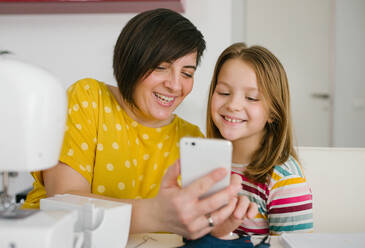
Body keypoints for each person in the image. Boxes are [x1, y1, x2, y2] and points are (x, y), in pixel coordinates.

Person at [23, 9, 257, 240]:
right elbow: (63, 202)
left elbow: (192, 220)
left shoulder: (191, 138)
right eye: (161, 67)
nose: (175, 86)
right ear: (130, 62)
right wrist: (155, 214)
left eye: (187, 73)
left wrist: (215, 225)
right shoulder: (88, 98)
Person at [205, 43, 314, 236]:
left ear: (274, 113)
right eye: (224, 92)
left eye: (252, 98)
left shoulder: (285, 181)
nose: (233, 105)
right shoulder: (206, 165)